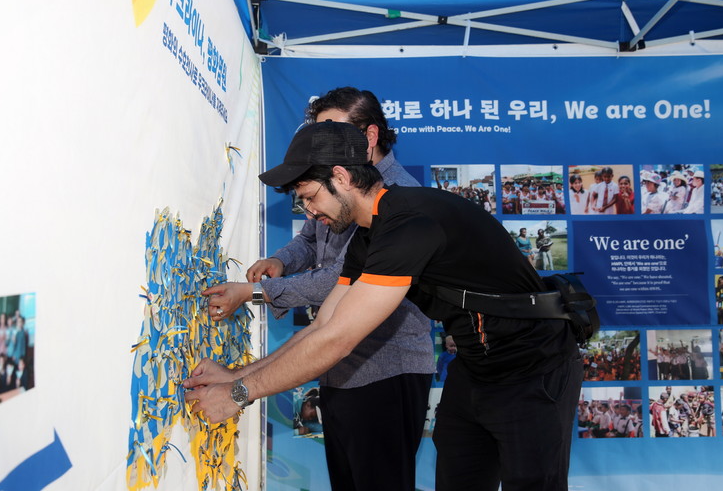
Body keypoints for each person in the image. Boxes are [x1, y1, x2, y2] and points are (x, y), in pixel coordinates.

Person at [184, 121, 583, 490]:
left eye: (310, 198)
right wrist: (235, 376)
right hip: (475, 370)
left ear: (341, 177)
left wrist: (238, 394)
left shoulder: (409, 224)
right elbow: (324, 326)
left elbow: (338, 341)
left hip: (534, 368)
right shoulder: (368, 235)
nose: (311, 213)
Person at [201, 87, 435, 491]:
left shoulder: (397, 205)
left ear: (369, 137)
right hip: (338, 365)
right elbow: (316, 273)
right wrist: (281, 262)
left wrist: (253, 295)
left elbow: (335, 293)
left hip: (387, 367)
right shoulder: (342, 197)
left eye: (333, 132)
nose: (321, 142)